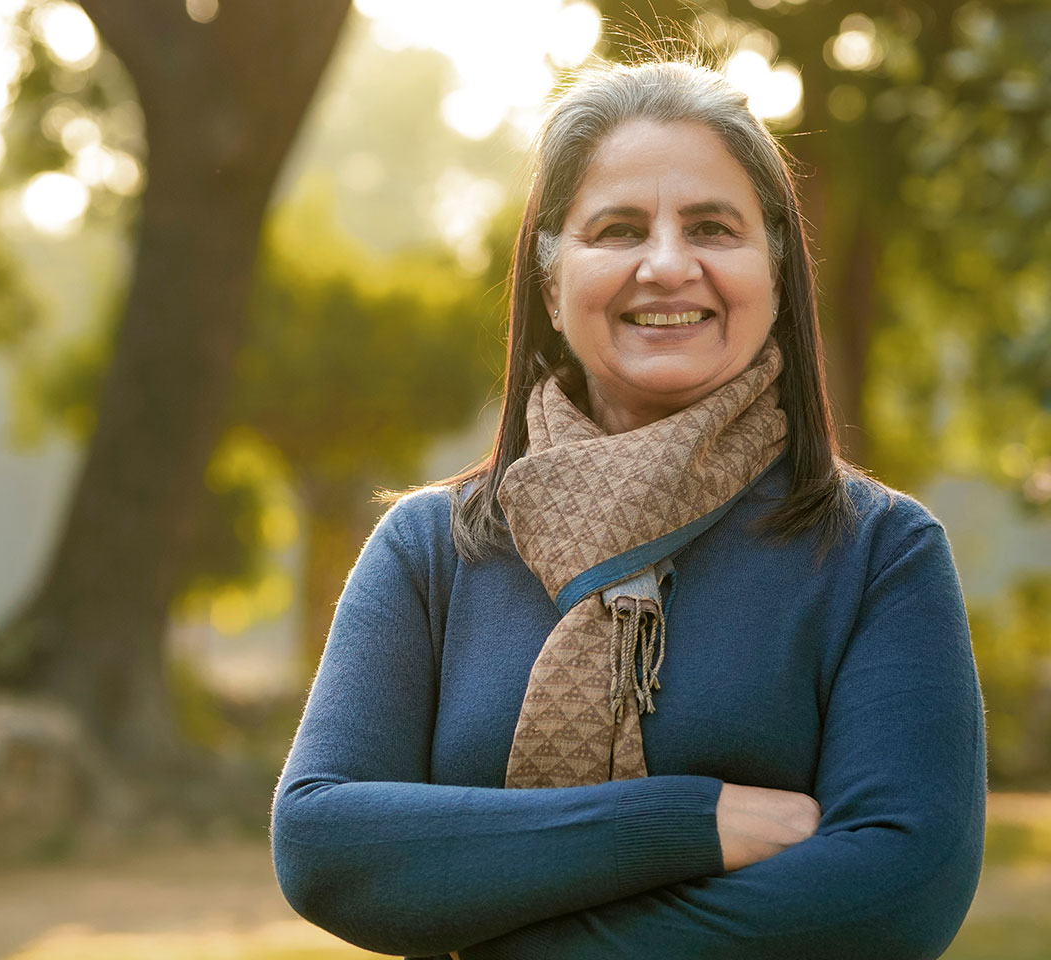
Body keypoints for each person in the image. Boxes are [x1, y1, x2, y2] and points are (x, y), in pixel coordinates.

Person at [268, 58, 987, 960]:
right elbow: (325, 844)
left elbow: (897, 891)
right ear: (549, 283)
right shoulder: (434, 550)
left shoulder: (877, 553)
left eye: (713, 228)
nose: (667, 265)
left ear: (773, 271)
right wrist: (687, 822)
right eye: (617, 229)